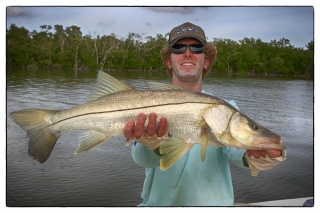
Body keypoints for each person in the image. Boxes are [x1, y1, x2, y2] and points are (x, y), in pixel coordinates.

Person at [123, 22, 285, 206]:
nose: (187, 52)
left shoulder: (227, 108)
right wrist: (152, 146)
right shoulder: (147, 104)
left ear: (206, 61)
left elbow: (236, 151)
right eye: (178, 48)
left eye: (196, 47)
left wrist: (258, 157)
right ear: (169, 61)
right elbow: (142, 159)